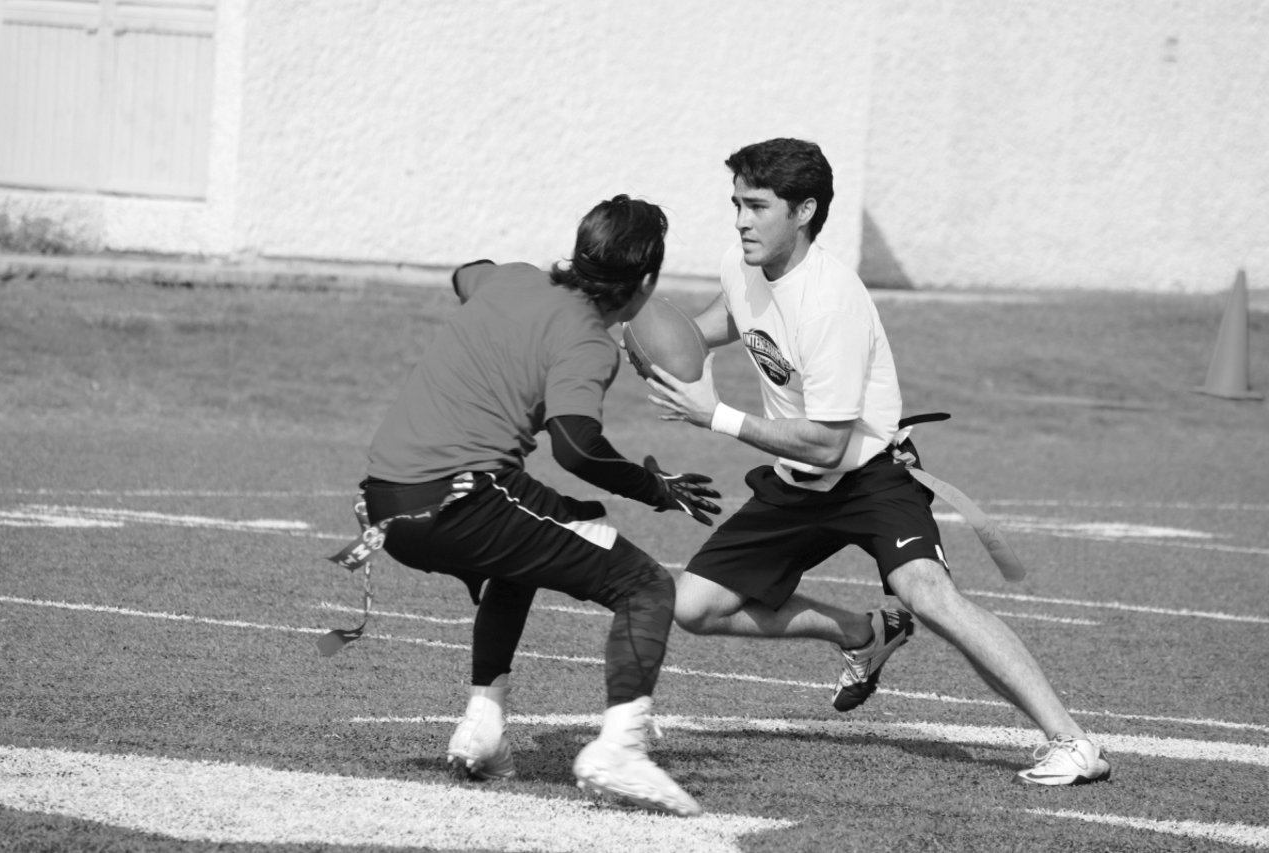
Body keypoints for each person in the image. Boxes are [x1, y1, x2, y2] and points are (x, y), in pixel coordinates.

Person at [645, 138, 1111, 787]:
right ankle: (863, 632)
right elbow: (735, 313)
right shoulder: (741, 263)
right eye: (737, 204)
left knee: (930, 595)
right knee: (695, 606)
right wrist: (660, 341)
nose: (741, 221)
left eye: (757, 206)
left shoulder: (830, 302)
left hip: (869, 473)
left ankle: (1073, 742)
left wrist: (713, 413)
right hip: (797, 480)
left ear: (804, 211)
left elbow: (829, 444)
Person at [358, 195, 721, 816]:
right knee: (646, 586)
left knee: (544, 537)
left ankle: (483, 724)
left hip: (385, 503)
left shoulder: (511, 278)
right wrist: (654, 488)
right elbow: (576, 447)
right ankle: (620, 750)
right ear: (646, 283)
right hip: (464, 501)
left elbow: (466, 272)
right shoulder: (589, 342)